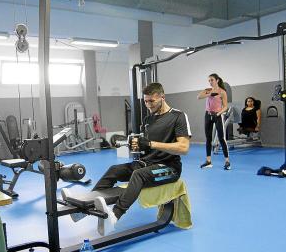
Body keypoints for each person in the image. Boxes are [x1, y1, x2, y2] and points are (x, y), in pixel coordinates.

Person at [62, 83, 191, 236]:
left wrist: (150, 143)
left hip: (169, 168)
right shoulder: (148, 119)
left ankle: (114, 217)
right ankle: (83, 208)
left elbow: (184, 148)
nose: (148, 105)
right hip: (146, 163)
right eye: (145, 101)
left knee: (139, 175)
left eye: (152, 101)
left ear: (162, 98)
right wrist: (131, 145)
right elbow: (145, 147)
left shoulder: (178, 116)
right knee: (114, 171)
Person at [197, 73, 231, 170]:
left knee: (221, 138)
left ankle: (227, 161)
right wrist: (210, 94)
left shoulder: (222, 92)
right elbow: (198, 97)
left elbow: (225, 107)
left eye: (212, 80)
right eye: (209, 80)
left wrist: (219, 113)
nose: (210, 82)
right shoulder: (207, 90)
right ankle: (208, 161)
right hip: (208, 115)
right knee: (208, 138)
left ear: (217, 80)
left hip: (218, 115)